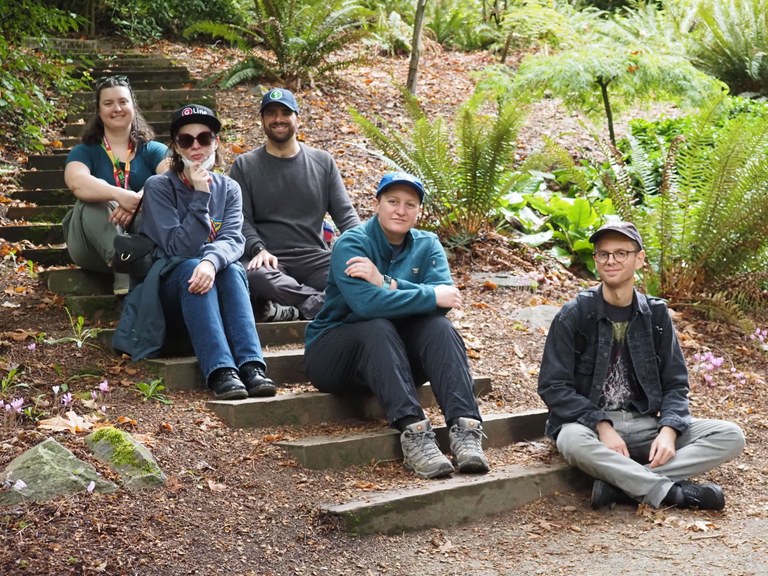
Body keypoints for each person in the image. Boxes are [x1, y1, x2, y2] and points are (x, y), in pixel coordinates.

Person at [538, 221, 745, 510]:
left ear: (640, 258)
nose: (611, 260)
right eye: (603, 254)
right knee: (570, 440)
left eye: (621, 253)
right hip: (591, 428)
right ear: (596, 259)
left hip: (645, 424)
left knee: (730, 435)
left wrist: (669, 431)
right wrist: (601, 425)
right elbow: (553, 385)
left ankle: (621, 486)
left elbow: (675, 383)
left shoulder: (656, 316)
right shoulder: (575, 315)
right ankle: (674, 494)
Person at [304, 172, 489, 479]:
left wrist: (385, 282)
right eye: (392, 202)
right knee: (376, 325)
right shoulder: (352, 244)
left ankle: (465, 430)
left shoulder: (428, 245)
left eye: (410, 204)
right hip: (334, 356)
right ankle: (415, 433)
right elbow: (367, 305)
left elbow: (444, 303)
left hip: (395, 360)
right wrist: (425, 294)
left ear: (418, 211)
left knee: (439, 329)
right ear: (377, 204)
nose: (401, 210)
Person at [114, 104, 276, 400]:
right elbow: (178, 248)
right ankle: (220, 370)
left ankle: (251, 366)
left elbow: (232, 240)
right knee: (190, 266)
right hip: (168, 294)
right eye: (186, 140)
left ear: (216, 141)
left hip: (209, 286)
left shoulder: (229, 188)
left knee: (231, 268)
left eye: (204, 137)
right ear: (175, 147)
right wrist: (201, 196)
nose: (196, 146)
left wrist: (211, 263)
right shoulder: (159, 186)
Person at [229, 87, 360, 322]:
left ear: (297, 118)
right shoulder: (244, 165)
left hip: (316, 258)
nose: (278, 119)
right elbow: (242, 220)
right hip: (271, 260)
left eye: (285, 113)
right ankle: (321, 305)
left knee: (356, 276)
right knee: (255, 277)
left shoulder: (323, 162)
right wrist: (258, 249)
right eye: (271, 114)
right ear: (262, 120)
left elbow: (346, 215)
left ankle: (298, 309)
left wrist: (362, 248)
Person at [62, 75, 169, 294]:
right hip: (90, 245)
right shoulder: (84, 151)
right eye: (108, 103)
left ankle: (131, 266)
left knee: (157, 187)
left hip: (142, 238)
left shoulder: (153, 149)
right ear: (99, 111)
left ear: (133, 106)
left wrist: (136, 200)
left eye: (122, 101)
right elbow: (76, 182)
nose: (117, 108)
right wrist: (118, 195)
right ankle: (123, 268)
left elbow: (172, 176)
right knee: (92, 199)